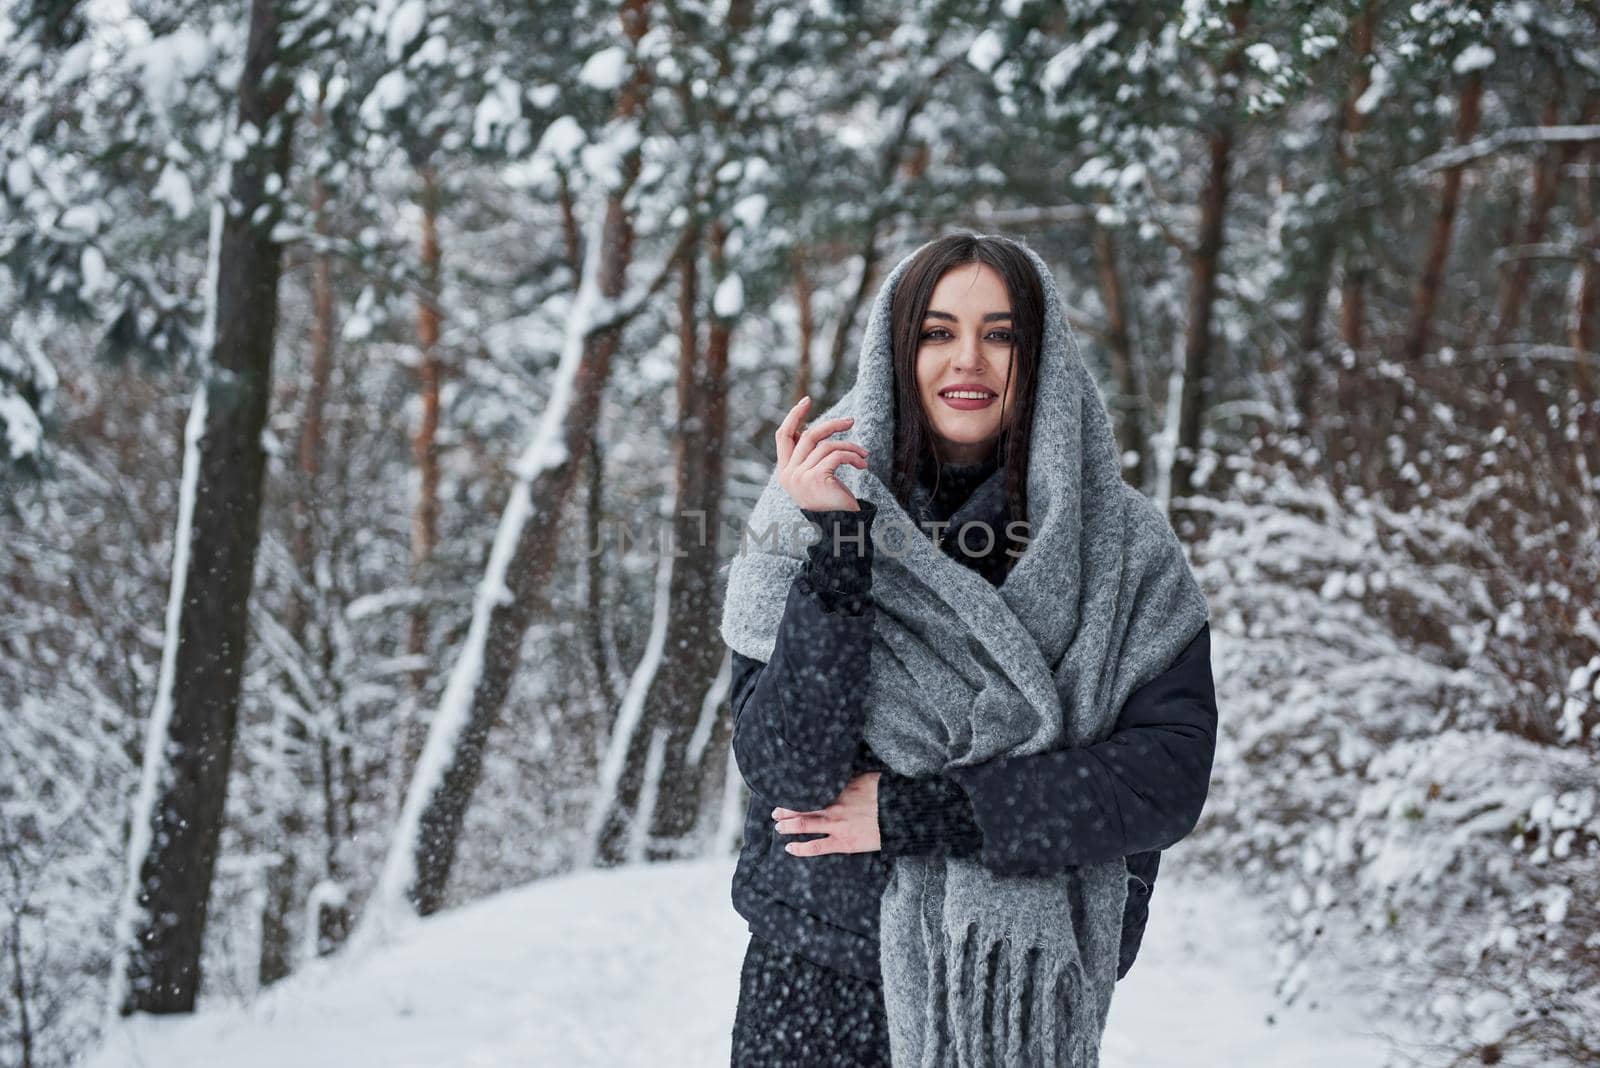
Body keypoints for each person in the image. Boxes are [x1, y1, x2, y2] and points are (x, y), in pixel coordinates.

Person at [721, 233, 1218, 1067]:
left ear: (1040, 353)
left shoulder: (1127, 550)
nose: (969, 360)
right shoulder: (807, 506)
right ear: (896, 346)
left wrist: (922, 814)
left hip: (1021, 989)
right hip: (818, 976)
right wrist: (842, 542)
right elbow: (790, 766)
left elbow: (1163, 779)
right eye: (937, 331)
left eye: (1000, 333)